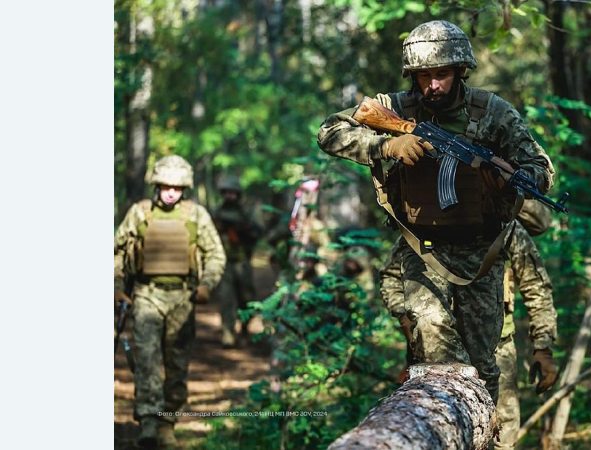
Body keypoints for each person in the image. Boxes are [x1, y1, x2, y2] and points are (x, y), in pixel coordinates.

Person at [317, 19, 555, 403]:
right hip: (423, 249)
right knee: (431, 336)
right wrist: (387, 147)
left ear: (461, 70)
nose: (432, 85)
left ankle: (481, 429)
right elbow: (329, 131)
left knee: (483, 363)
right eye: (423, 75)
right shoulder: (395, 106)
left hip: (482, 252)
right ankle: (444, 419)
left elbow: (539, 165)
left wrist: (516, 177)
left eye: (441, 74)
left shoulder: (493, 112)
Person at [380, 200, 560, 450]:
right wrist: (404, 317)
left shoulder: (505, 229)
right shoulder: (426, 228)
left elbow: (536, 287)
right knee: (438, 426)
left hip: (496, 350)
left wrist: (543, 346)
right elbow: (391, 276)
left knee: (502, 436)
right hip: (434, 354)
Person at [114, 155, 226, 448]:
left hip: (182, 297)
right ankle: (148, 422)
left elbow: (215, 254)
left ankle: (167, 421)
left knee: (176, 363)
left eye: (177, 187)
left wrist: (206, 285)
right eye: (165, 186)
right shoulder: (140, 213)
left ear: (185, 188)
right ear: (157, 184)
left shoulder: (195, 215)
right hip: (146, 294)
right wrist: (116, 289)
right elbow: (117, 253)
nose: (171, 192)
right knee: (147, 360)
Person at [212, 176, 263, 347]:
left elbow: (258, 231)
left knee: (246, 298)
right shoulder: (218, 212)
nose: (229, 196)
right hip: (224, 261)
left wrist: (243, 230)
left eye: (232, 193)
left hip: (242, 261)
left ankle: (245, 328)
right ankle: (228, 332)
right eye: (226, 193)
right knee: (226, 298)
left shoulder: (247, 212)